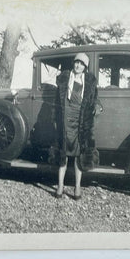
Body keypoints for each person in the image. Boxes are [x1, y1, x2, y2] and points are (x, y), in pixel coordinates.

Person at [49, 52, 99, 199]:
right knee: (62, 153)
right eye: (77, 62)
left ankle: (77, 188)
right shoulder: (64, 79)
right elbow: (57, 103)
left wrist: (93, 112)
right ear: (74, 63)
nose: (78, 66)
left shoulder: (89, 82)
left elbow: (92, 102)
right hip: (65, 119)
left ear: (85, 67)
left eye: (82, 64)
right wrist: (55, 120)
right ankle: (59, 187)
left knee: (78, 156)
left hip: (80, 121)